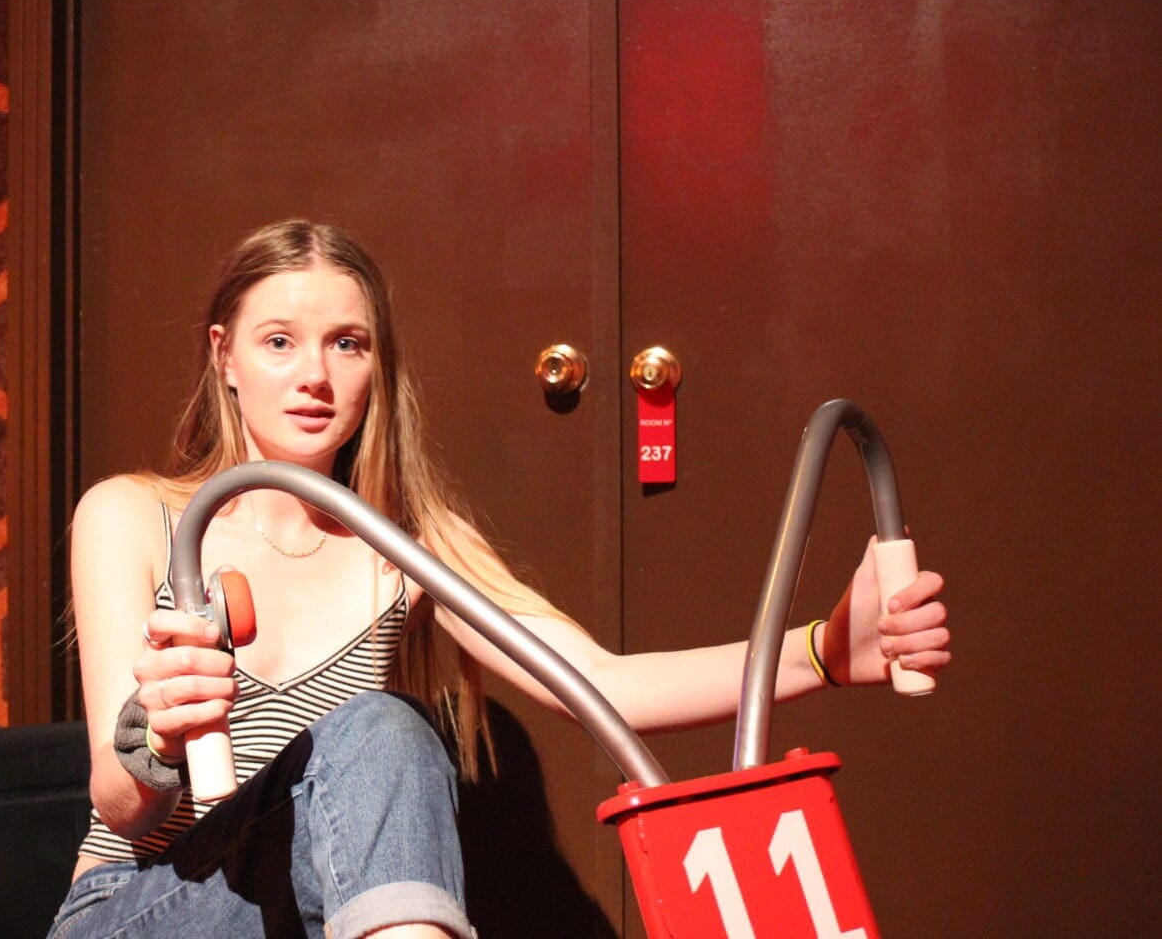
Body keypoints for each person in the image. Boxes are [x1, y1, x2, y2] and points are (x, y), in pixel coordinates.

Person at [48, 220, 951, 939]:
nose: (315, 375)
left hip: (327, 917)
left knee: (386, 731)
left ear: (377, 365)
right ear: (224, 357)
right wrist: (158, 737)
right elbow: (120, 806)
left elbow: (600, 684)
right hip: (152, 904)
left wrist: (823, 652)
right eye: (279, 341)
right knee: (384, 729)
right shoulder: (135, 517)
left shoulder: (407, 548)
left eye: (348, 344)